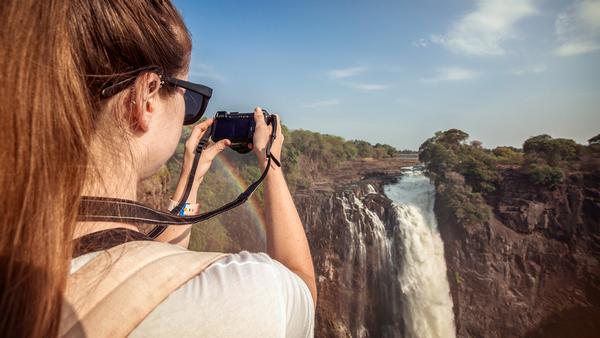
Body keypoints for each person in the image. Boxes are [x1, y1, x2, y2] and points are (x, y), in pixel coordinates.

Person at [0, 1, 316, 337]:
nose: (187, 114)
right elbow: (302, 291)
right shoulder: (244, 293)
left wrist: (191, 177)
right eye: (190, 97)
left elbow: (152, 264)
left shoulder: (18, 259)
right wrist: (272, 163)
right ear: (147, 96)